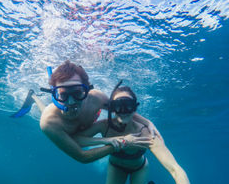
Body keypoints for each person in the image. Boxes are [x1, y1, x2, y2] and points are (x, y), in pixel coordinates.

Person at [73, 81, 206, 184]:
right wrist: (110, 141)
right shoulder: (104, 126)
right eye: (118, 106)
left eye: (128, 105)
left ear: (134, 108)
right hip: (115, 167)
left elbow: (175, 168)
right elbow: (77, 139)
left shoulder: (146, 133)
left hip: (139, 169)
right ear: (112, 108)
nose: (123, 111)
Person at [12, 60, 159, 163]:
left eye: (77, 93)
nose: (71, 102)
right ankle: (33, 97)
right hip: (58, 122)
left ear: (87, 90)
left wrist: (148, 122)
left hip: (83, 129)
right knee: (46, 112)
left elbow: (123, 110)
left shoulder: (96, 97)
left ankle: (36, 96)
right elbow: (82, 156)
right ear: (56, 95)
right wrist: (123, 142)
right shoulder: (49, 123)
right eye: (63, 95)